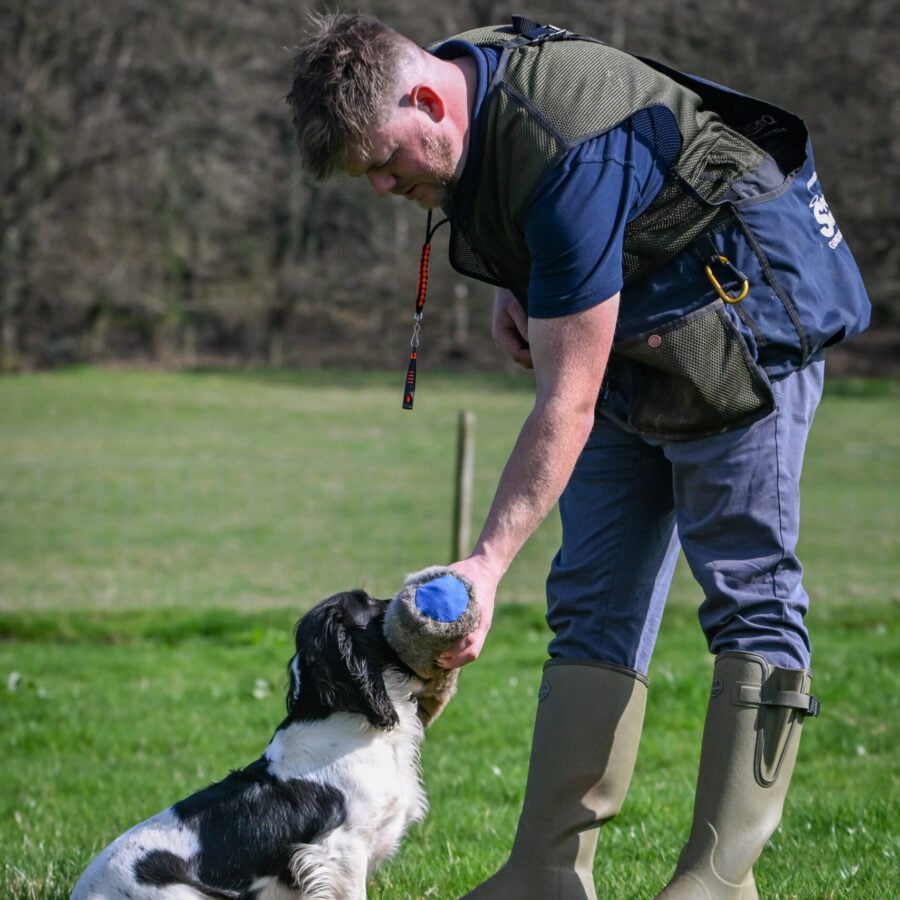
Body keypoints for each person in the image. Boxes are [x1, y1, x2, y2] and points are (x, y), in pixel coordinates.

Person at [286, 12, 870, 899]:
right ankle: (546, 871)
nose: (379, 185)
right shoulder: (468, 84)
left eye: (381, 159)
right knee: (592, 602)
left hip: (746, 328)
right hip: (644, 336)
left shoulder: (569, 151)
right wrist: (522, 285)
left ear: (423, 97)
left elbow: (568, 398)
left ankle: (718, 881)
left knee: (750, 596)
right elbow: (539, 226)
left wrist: (485, 566)